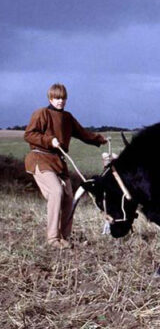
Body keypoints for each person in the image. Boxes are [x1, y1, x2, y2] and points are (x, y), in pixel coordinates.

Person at [24, 83, 107, 249]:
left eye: (63, 98)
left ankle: (65, 237)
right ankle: (53, 239)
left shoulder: (67, 117)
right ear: (50, 98)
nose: (60, 101)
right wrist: (49, 140)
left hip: (59, 162)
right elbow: (29, 134)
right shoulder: (42, 113)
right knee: (56, 192)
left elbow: (83, 134)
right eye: (56, 98)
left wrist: (100, 139)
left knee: (69, 197)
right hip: (40, 158)